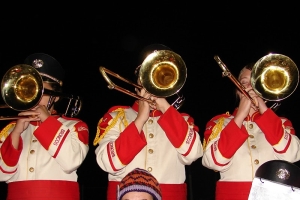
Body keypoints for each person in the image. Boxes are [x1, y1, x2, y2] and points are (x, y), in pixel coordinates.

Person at [94, 44, 203, 200]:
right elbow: (109, 164)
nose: (150, 84)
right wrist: (140, 119)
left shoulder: (182, 119)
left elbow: (192, 154)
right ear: (136, 82)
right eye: (145, 76)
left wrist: (164, 105)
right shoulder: (116, 117)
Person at [201, 62, 300, 200]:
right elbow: (215, 162)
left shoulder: (280, 123)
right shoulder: (220, 122)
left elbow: (291, 155)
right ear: (237, 89)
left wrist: (263, 108)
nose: (249, 87)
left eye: (256, 82)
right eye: (244, 82)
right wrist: (240, 115)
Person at [0, 53, 89, 200]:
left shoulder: (74, 125)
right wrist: (16, 133)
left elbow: (71, 161)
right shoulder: (10, 129)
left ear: (56, 96)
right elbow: (2, 174)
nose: (34, 98)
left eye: (40, 92)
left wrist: (47, 121)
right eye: (29, 91)